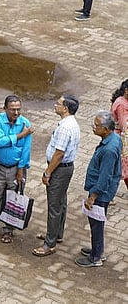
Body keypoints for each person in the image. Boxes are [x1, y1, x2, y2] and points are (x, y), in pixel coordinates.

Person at [33, 94, 81, 257]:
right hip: (66, 169)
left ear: (65, 108)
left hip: (59, 169)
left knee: (54, 205)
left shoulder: (64, 127)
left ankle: (50, 243)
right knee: (61, 202)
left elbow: (59, 153)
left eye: (58, 104)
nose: (55, 105)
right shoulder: (72, 123)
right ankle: (56, 233)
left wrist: (48, 172)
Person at [0, 95, 33, 244]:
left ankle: (9, 229)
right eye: (12, 110)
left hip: (16, 168)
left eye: (18, 109)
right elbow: (1, 141)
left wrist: (20, 170)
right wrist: (21, 135)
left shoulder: (25, 123)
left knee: (13, 198)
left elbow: (26, 149)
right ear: (5, 109)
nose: (16, 113)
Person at [76, 111, 122, 267]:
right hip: (104, 189)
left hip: (101, 192)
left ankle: (95, 257)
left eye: (97, 125)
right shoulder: (114, 138)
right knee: (97, 222)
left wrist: (93, 196)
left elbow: (104, 177)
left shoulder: (109, 150)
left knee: (96, 223)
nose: (93, 127)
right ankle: (97, 249)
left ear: (107, 130)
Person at [111, 79, 128, 190]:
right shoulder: (122, 105)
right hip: (120, 139)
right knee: (116, 168)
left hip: (118, 137)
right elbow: (124, 125)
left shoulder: (122, 101)